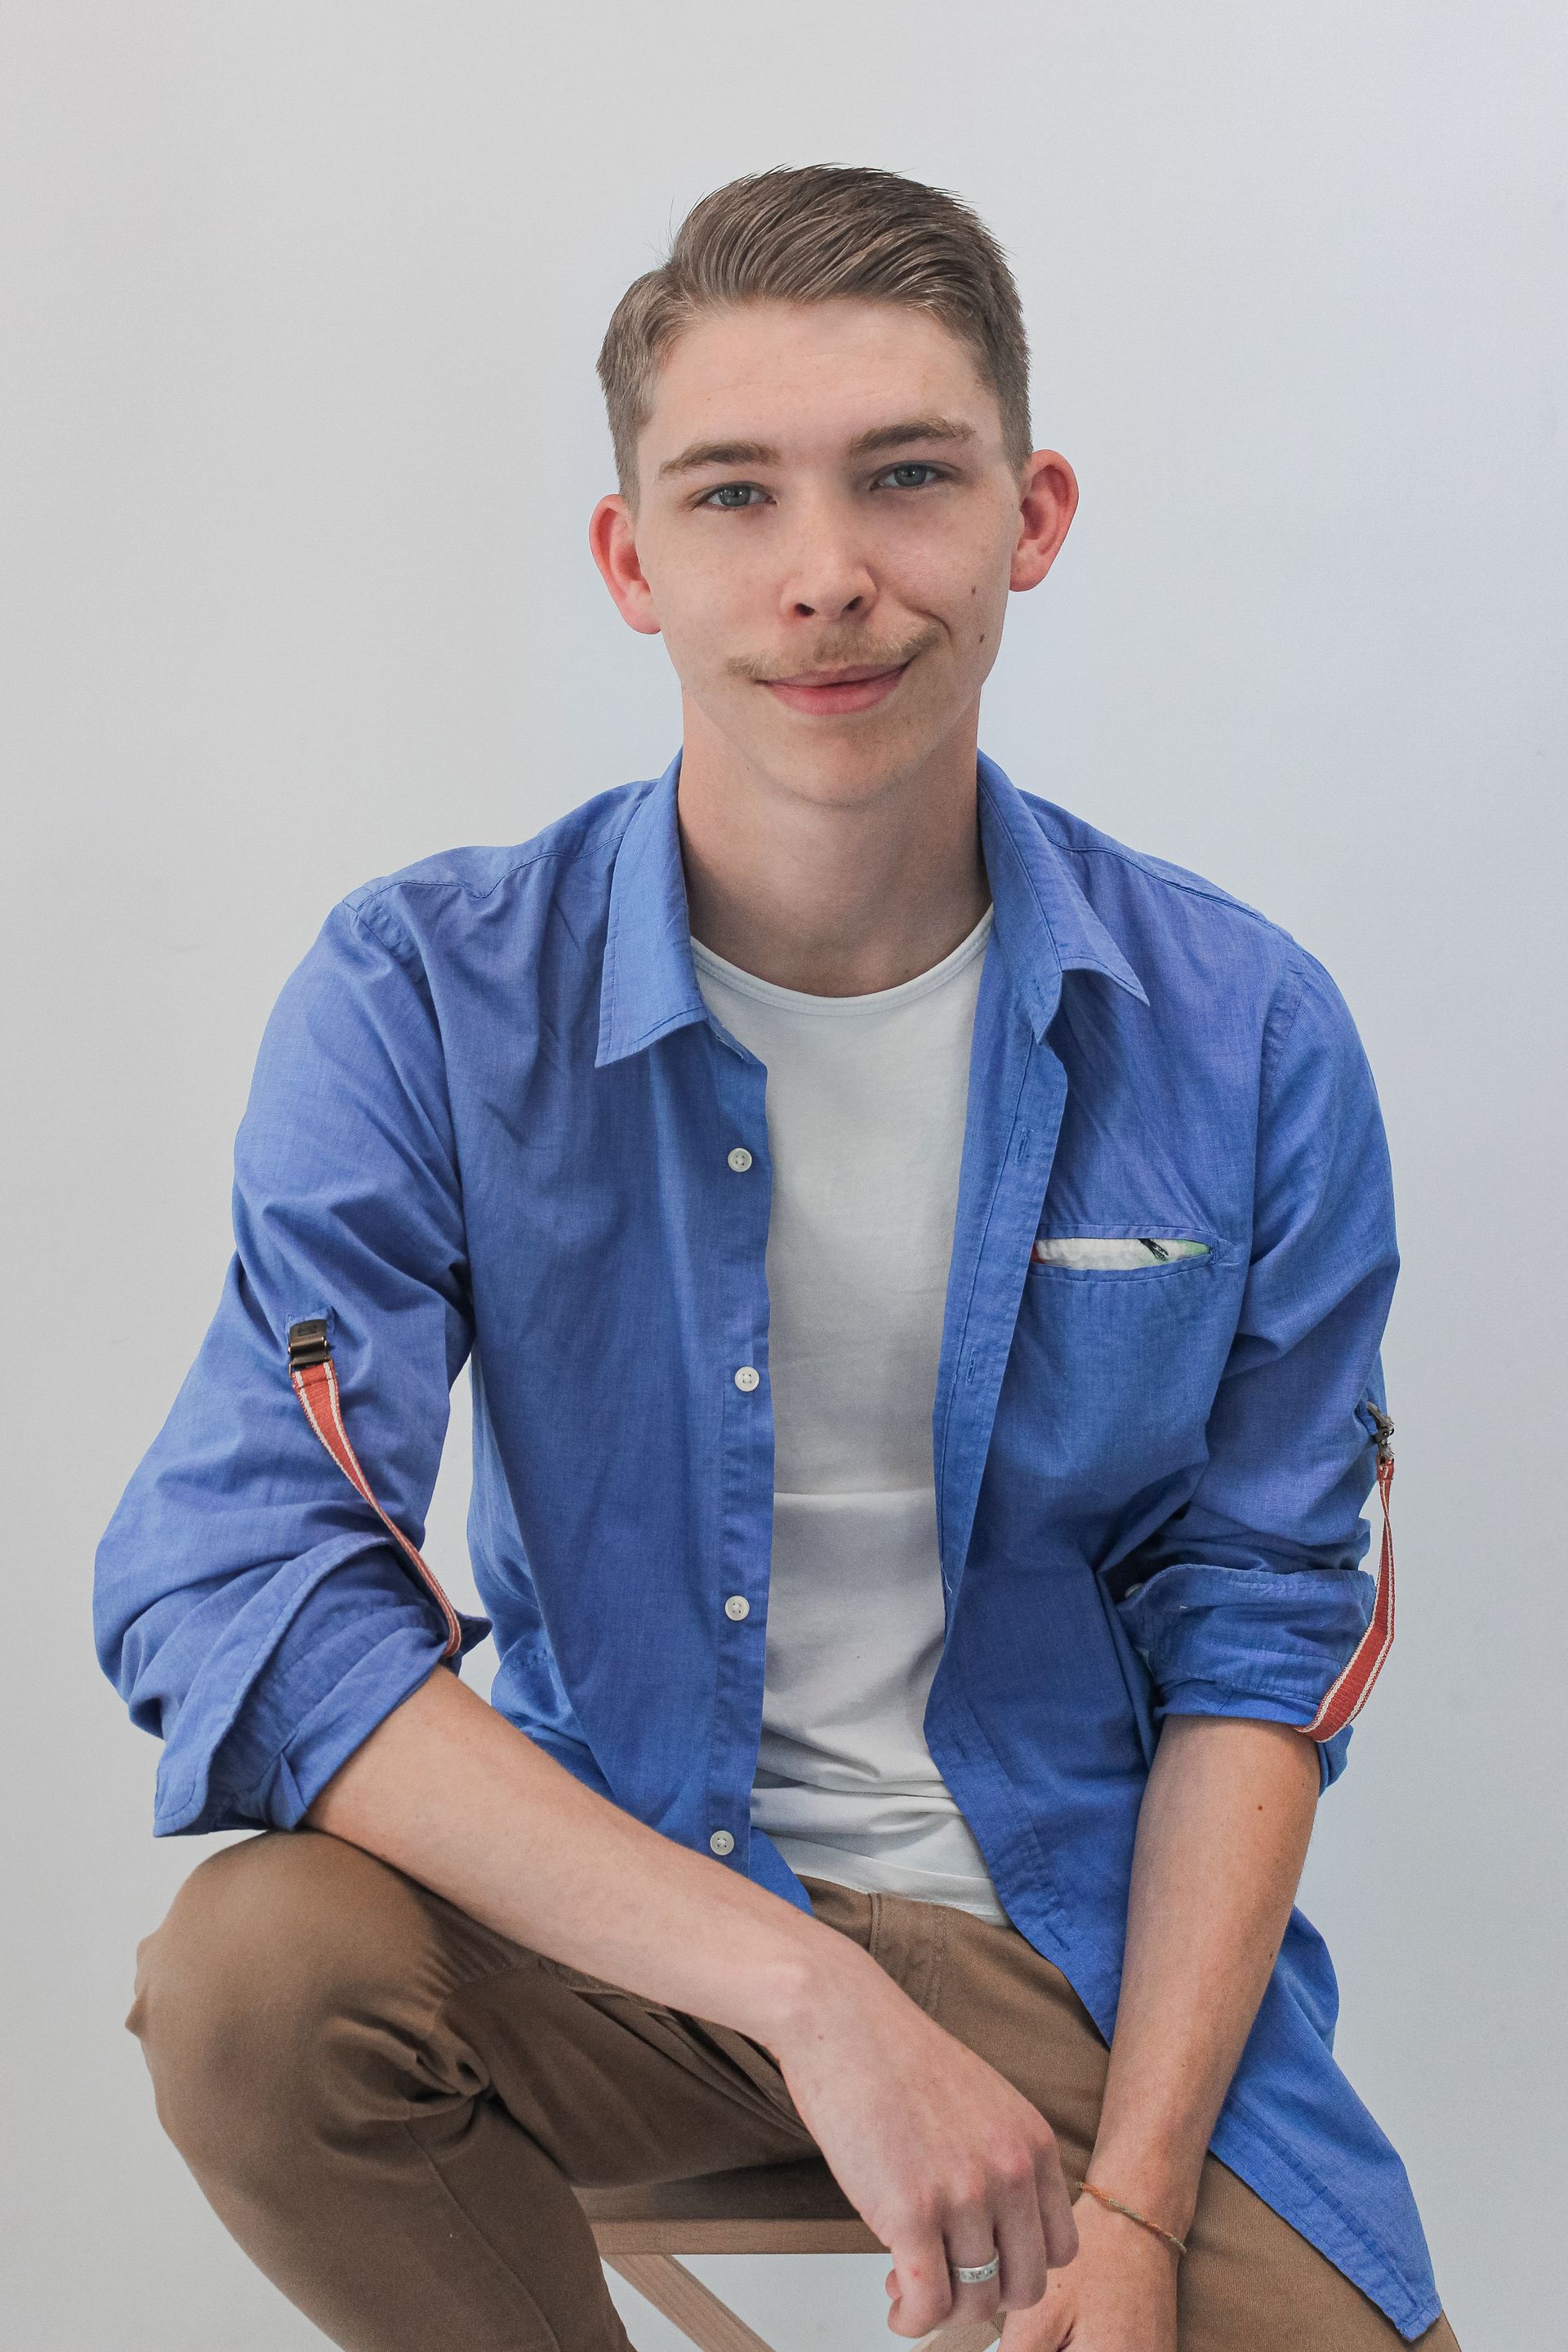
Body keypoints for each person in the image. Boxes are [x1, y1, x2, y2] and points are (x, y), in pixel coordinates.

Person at [96, 164, 1456, 2352]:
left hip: (1074, 1956)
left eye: (906, 479)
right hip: (626, 1920)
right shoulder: (430, 996)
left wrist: (1128, 2216)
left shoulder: (1245, 1030)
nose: (827, 576)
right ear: (634, 560)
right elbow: (234, 1577)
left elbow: (1262, 1643)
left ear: (1035, 516)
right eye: (735, 495)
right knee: (256, 1984)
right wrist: (805, 1991)